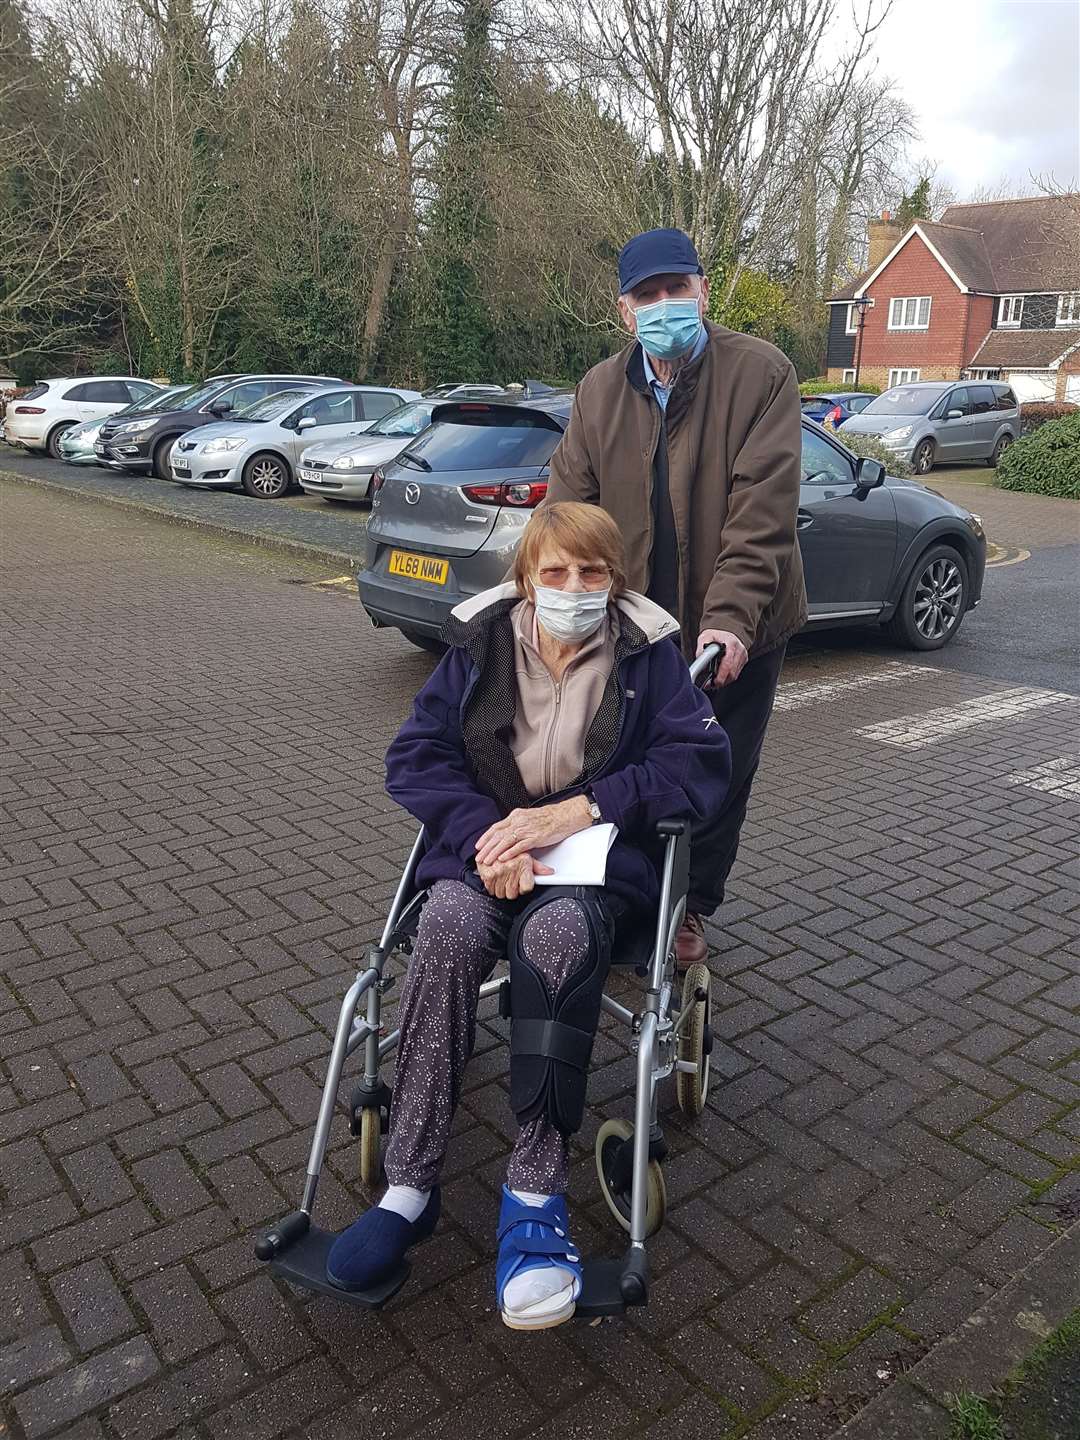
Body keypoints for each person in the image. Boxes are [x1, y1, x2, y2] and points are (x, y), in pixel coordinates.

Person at [326, 501, 729, 1329]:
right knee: (443, 926)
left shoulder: (648, 656)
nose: (574, 588)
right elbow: (417, 756)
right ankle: (409, 1186)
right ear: (526, 579)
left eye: (592, 574)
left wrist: (579, 811)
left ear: (616, 582)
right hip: (487, 857)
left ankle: (535, 1189)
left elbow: (696, 766)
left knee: (554, 938)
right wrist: (490, 838)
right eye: (555, 573)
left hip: (591, 871)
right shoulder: (479, 647)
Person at [545, 227, 807, 967]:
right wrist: (534, 598)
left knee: (716, 775)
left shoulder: (762, 375)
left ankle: (692, 907)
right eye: (646, 295)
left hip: (739, 621)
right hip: (640, 627)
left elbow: (762, 516)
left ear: (702, 291)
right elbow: (566, 513)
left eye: (675, 289)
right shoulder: (600, 391)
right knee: (617, 763)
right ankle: (623, 890)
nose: (663, 306)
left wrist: (730, 621)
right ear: (623, 310)